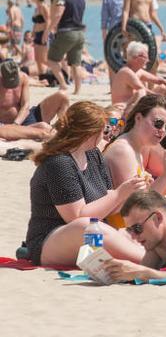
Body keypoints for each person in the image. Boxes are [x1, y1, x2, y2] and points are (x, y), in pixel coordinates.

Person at [25, 101, 148, 266]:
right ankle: (150, 261)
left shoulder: (93, 155)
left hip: (92, 232)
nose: (109, 133)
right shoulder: (59, 163)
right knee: (88, 226)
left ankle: (157, 257)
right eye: (104, 129)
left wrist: (130, 192)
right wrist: (119, 193)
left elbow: (108, 206)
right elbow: (76, 217)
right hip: (49, 240)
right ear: (89, 132)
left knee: (122, 231)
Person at [46, 0, 86, 94]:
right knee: (76, 63)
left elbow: (58, 14)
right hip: (80, 33)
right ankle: (77, 90)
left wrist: (48, 30)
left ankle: (63, 85)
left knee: (52, 59)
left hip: (67, 32)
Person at [0, 60, 69, 128]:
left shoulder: (23, 77)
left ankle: (61, 128)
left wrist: (16, 124)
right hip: (4, 124)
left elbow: (25, 105)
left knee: (62, 96)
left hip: (23, 119)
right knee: (43, 126)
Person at [110, 42, 166, 112]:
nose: (148, 60)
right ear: (136, 58)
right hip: (122, 109)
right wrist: (162, 98)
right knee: (141, 92)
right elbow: (143, 90)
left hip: (133, 105)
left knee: (162, 87)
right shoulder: (126, 72)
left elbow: (159, 80)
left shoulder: (138, 71)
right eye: (146, 57)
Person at [30, 0, 50, 78]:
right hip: (37, 34)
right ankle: (41, 75)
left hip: (42, 33)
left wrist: (46, 34)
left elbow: (48, 21)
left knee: (44, 59)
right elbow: (36, 23)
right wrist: (33, 32)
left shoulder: (43, 6)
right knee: (37, 59)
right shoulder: (36, 8)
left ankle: (61, 71)